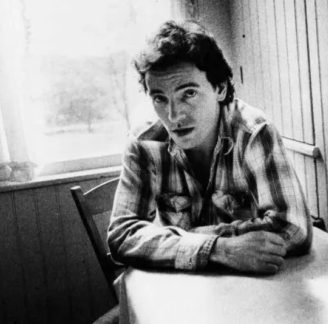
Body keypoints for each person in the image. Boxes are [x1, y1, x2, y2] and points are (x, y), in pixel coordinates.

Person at [108, 20, 312, 274]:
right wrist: (219, 249)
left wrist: (187, 239)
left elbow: (294, 228)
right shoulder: (144, 142)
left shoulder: (252, 132)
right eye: (159, 98)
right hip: (180, 286)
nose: (173, 116)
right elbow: (122, 235)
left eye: (188, 93)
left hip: (251, 285)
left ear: (220, 88)